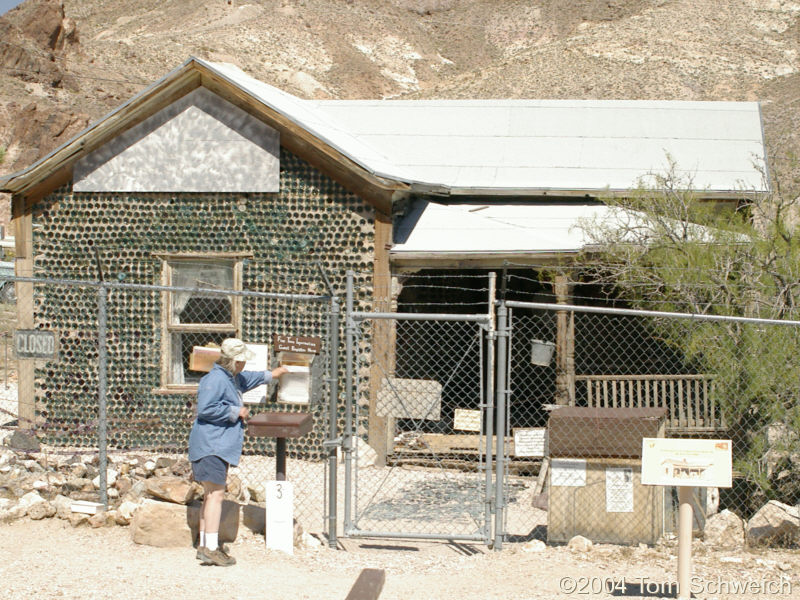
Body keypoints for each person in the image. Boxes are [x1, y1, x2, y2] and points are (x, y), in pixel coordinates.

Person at [188, 338, 288, 567]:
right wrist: (236, 411)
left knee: (210, 495)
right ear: (232, 361)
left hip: (214, 445)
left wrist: (274, 373)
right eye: (242, 361)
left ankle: (205, 545)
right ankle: (211, 549)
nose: (244, 365)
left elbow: (249, 379)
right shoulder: (214, 380)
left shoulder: (230, 377)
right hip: (211, 445)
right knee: (216, 495)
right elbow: (206, 409)